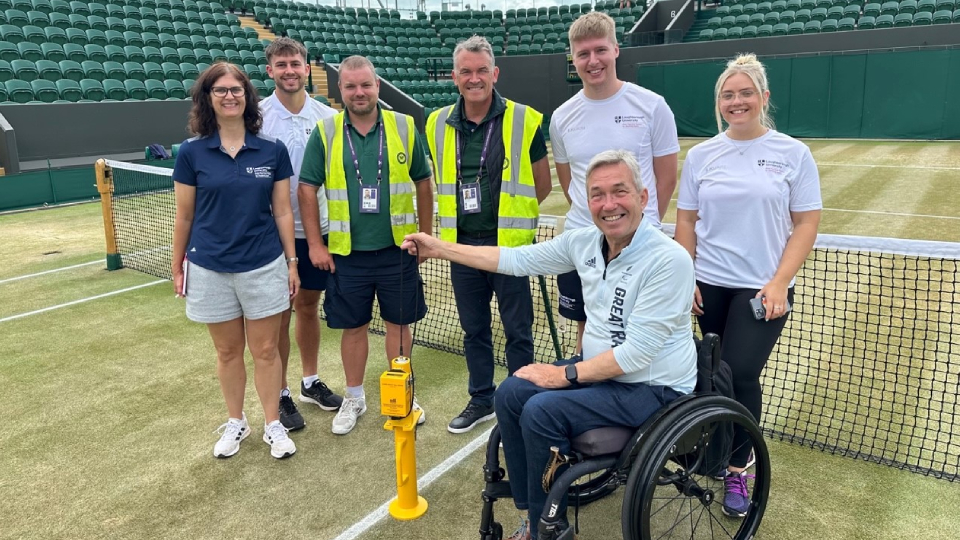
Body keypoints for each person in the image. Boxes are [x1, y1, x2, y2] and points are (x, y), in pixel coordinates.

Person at [401, 150, 697, 540]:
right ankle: (533, 512)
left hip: (654, 387)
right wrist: (439, 247)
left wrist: (564, 374)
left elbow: (637, 354)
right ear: (586, 202)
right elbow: (515, 259)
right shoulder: (585, 242)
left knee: (542, 410)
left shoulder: (668, 260)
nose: (608, 205)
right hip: (602, 373)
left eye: (619, 191)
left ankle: (547, 530)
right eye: (597, 195)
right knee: (510, 393)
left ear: (642, 198)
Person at [674, 53, 821, 517]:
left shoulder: (793, 153)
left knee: (739, 374)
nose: (736, 102)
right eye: (727, 95)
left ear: (763, 98)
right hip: (707, 284)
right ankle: (715, 453)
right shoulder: (701, 155)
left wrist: (780, 283)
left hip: (762, 290)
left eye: (745, 93)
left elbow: (806, 223)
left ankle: (740, 468)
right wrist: (685, 276)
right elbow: (686, 219)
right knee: (712, 375)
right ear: (719, 102)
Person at [298, 56, 434, 435]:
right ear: (340, 90)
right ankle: (354, 398)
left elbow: (424, 182)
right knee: (353, 328)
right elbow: (306, 188)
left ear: (377, 86)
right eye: (351, 86)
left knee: (399, 325)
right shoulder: (325, 133)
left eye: (366, 85)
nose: (359, 92)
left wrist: (425, 235)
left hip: (398, 250)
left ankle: (402, 395)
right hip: (346, 254)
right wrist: (314, 245)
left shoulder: (404, 126)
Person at [425, 36, 552, 435]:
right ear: (454, 76)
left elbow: (542, 184)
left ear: (495, 74)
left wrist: (510, 221)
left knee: (518, 330)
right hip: (462, 248)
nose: (474, 78)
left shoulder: (525, 118)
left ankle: (519, 398)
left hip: (509, 250)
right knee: (474, 329)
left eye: (482, 71)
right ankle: (481, 398)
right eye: (466, 71)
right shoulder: (435, 122)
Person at [171, 62, 299, 459]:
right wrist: (177, 266)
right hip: (209, 267)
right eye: (220, 90)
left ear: (247, 96)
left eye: (237, 89)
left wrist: (292, 263)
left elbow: (282, 212)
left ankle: (273, 425)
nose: (230, 96)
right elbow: (185, 216)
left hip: (263, 264)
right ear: (207, 99)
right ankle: (236, 422)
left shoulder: (271, 151)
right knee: (227, 352)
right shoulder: (191, 153)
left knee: (265, 351)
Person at [549, 11, 679, 357]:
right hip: (582, 244)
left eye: (600, 50)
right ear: (573, 59)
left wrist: (639, 226)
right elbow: (571, 184)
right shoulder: (562, 117)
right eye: (583, 54)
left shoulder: (653, 106)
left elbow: (666, 178)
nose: (593, 61)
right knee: (586, 335)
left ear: (616, 50)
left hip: (640, 246)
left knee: (637, 337)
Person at [260, 37, 343, 432]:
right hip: (272, 235)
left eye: (296, 63)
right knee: (276, 316)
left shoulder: (328, 116)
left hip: (318, 232)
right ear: (270, 70)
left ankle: (309, 382)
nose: (290, 70)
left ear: (307, 69)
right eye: (282, 64)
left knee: (308, 307)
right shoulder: (255, 117)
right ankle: (279, 392)